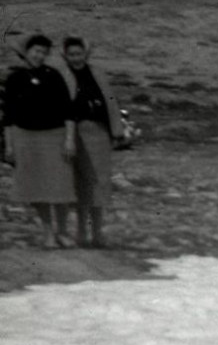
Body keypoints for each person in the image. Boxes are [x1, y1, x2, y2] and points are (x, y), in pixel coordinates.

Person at [2, 35, 79, 248]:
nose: (40, 55)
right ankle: (48, 233)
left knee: (61, 186)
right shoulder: (14, 79)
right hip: (25, 138)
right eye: (36, 51)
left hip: (55, 136)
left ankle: (62, 231)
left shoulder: (53, 75)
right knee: (37, 187)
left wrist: (70, 139)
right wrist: (9, 146)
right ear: (26, 52)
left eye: (44, 52)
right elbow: (8, 116)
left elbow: (68, 111)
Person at [60, 37, 127, 248]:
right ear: (66, 56)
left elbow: (110, 102)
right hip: (73, 133)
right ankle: (81, 233)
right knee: (79, 185)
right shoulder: (63, 76)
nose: (76, 58)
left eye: (79, 54)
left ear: (85, 54)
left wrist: (117, 132)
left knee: (99, 183)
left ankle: (97, 233)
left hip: (98, 133)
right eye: (71, 55)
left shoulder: (97, 73)